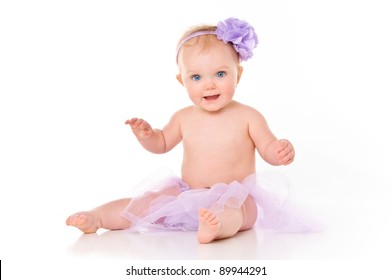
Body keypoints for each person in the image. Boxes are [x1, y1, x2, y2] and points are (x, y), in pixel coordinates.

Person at [66, 17, 299, 244]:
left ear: (238, 74)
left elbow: (267, 147)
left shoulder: (249, 116)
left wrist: (278, 151)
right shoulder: (183, 117)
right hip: (187, 194)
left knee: (237, 212)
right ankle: (97, 217)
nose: (209, 84)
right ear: (182, 81)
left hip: (236, 194)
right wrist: (148, 136)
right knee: (147, 202)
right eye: (196, 77)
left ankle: (216, 225)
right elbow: (162, 143)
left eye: (220, 74)